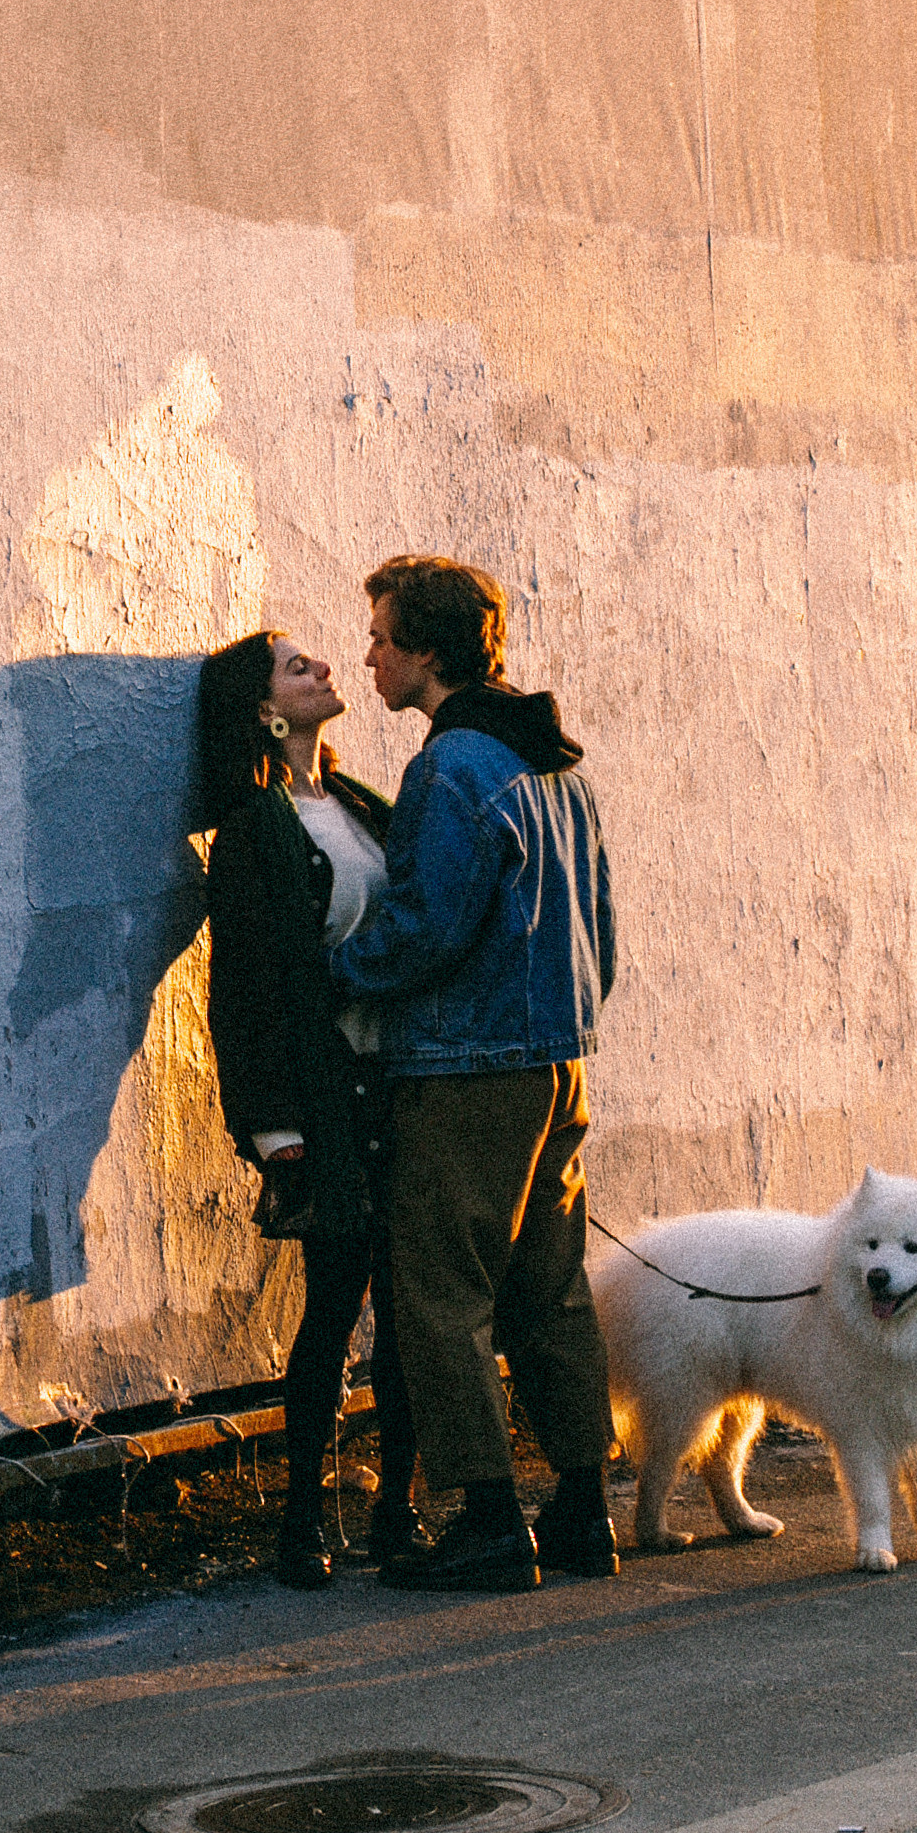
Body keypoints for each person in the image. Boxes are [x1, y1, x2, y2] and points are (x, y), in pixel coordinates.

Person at [330, 554, 621, 1593]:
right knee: (551, 1288)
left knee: (440, 1293)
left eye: (379, 636)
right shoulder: (551, 761)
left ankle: (489, 1518)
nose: (365, 655)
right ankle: (584, 1510)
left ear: (427, 651)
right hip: (558, 1061)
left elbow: (424, 929)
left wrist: (332, 971)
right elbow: (600, 926)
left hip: (464, 1071)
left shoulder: (450, 768)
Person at [197, 629, 426, 1585]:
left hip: (404, 1088)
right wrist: (267, 1123)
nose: (324, 669)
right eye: (297, 668)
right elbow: (238, 987)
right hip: (325, 1099)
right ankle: (301, 1521)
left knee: (416, 1309)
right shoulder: (252, 829)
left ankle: (397, 1512)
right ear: (263, 710)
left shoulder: (366, 806)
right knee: (333, 1312)